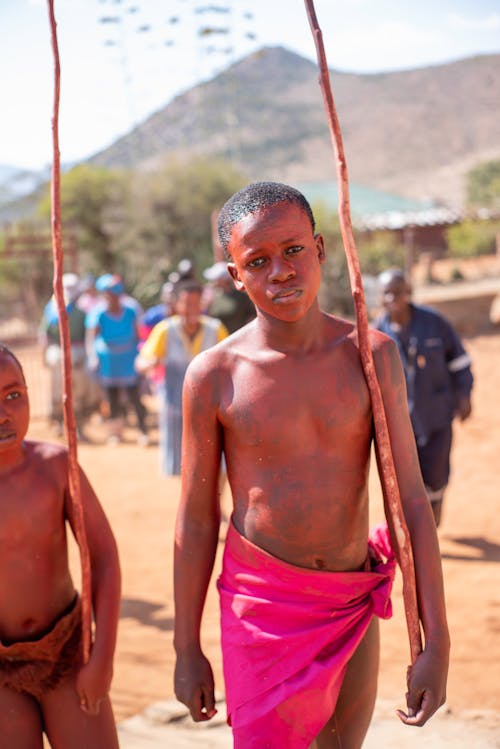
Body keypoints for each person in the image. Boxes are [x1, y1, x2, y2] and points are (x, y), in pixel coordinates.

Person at [173, 182, 449, 748]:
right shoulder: (214, 376)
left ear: (321, 249)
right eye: (257, 261)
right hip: (261, 612)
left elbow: (411, 502)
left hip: (349, 601)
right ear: (234, 276)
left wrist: (436, 643)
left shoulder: (371, 357)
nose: (280, 271)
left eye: (294, 250)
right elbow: (197, 520)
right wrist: (185, 647)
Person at [0, 344, 121, 748]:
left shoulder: (55, 467)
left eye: (13, 395)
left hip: (70, 652)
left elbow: (104, 558)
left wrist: (101, 657)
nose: (3, 413)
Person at [374, 268, 473, 527]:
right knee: (408, 478)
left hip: (437, 416)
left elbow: (460, 360)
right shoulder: (378, 335)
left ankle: (437, 504)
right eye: (386, 294)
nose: (392, 299)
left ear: (409, 293)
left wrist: (464, 395)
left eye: (397, 292)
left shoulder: (434, 323)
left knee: (437, 473)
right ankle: (422, 526)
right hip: (401, 423)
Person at [136, 280, 228, 476]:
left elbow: (230, 364)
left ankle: (216, 505)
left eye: (196, 304)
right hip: (176, 407)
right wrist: (150, 363)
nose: (191, 309)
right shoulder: (164, 330)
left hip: (211, 406)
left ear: (202, 305)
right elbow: (142, 362)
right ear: (177, 305)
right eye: (186, 304)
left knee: (217, 459)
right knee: (184, 463)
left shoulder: (215, 329)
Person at [86, 273, 149, 445]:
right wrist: (92, 357)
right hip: (109, 363)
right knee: (112, 398)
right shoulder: (97, 313)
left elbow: (140, 334)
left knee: (134, 396)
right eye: (108, 293)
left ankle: (143, 430)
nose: (112, 297)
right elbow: (91, 337)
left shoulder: (131, 310)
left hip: (129, 359)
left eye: (115, 293)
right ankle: (115, 433)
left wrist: (142, 353)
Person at [39, 273, 98, 439]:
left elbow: (87, 336)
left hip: (77, 357)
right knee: (59, 392)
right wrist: (45, 356)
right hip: (58, 357)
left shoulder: (81, 312)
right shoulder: (51, 312)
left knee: (78, 394)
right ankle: (60, 423)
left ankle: (78, 427)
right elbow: (45, 336)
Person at [203, 260, 256, 333]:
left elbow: (252, 316)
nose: (214, 281)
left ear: (224, 280)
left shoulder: (241, 297)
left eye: (217, 279)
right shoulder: (213, 297)